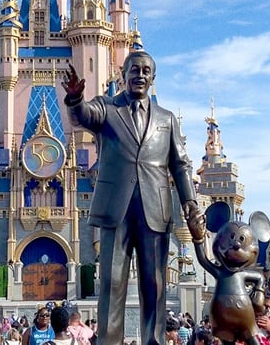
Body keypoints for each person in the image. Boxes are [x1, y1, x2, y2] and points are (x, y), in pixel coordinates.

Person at [63, 50, 203, 345]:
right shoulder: (107, 108)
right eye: (134, 70)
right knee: (112, 282)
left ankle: (154, 341)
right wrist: (75, 99)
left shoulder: (166, 119)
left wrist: (190, 203)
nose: (140, 75)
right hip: (117, 210)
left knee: (155, 283)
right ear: (123, 75)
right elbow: (82, 117)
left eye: (145, 71)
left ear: (153, 78)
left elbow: (180, 164)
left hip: (155, 209)